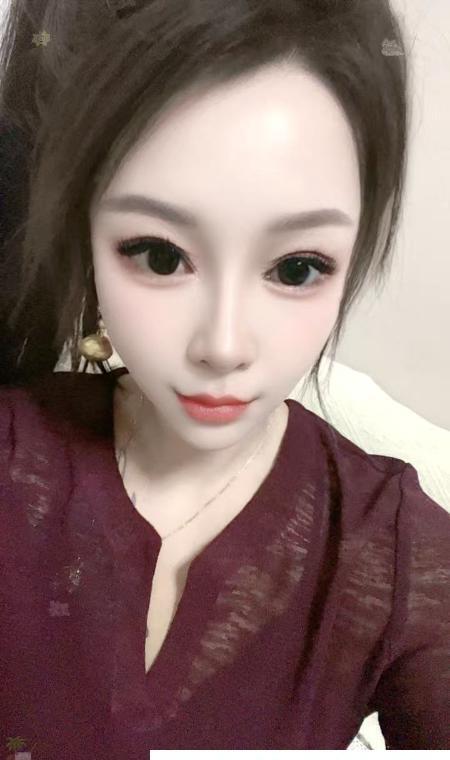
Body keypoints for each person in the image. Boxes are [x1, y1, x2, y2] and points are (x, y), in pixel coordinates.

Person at [0, 0, 449, 756]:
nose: (224, 345)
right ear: (85, 231)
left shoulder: (395, 548)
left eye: (296, 268)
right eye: (160, 255)